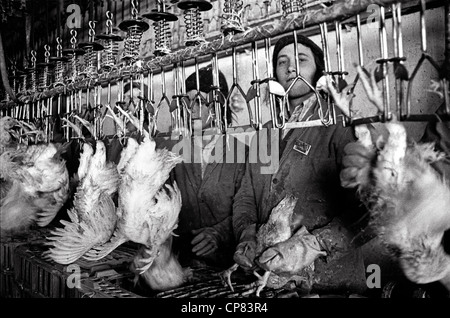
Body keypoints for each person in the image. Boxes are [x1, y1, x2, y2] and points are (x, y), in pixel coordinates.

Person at [230, 33, 368, 296]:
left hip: (330, 283)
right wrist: (247, 234)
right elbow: (246, 195)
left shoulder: (338, 125)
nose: (291, 67)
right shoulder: (266, 132)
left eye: (301, 59)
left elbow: (369, 206)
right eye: (282, 62)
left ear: (318, 71)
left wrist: (313, 244)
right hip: (272, 280)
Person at [158, 65, 249, 270]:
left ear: (219, 106)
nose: (191, 110)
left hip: (230, 267)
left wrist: (220, 232)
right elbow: (164, 205)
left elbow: (250, 209)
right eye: (187, 102)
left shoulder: (242, 153)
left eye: (198, 101)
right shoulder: (176, 152)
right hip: (183, 264)